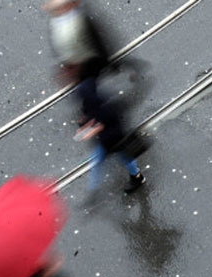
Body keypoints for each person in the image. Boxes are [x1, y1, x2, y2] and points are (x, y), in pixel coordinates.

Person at [43, 0, 145, 194]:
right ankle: (116, 181)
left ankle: (96, 189)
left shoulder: (87, 82)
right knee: (112, 150)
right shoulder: (59, 25)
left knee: (108, 151)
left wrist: (94, 124)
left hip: (105, 120)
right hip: (103, 119)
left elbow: (100, 44)